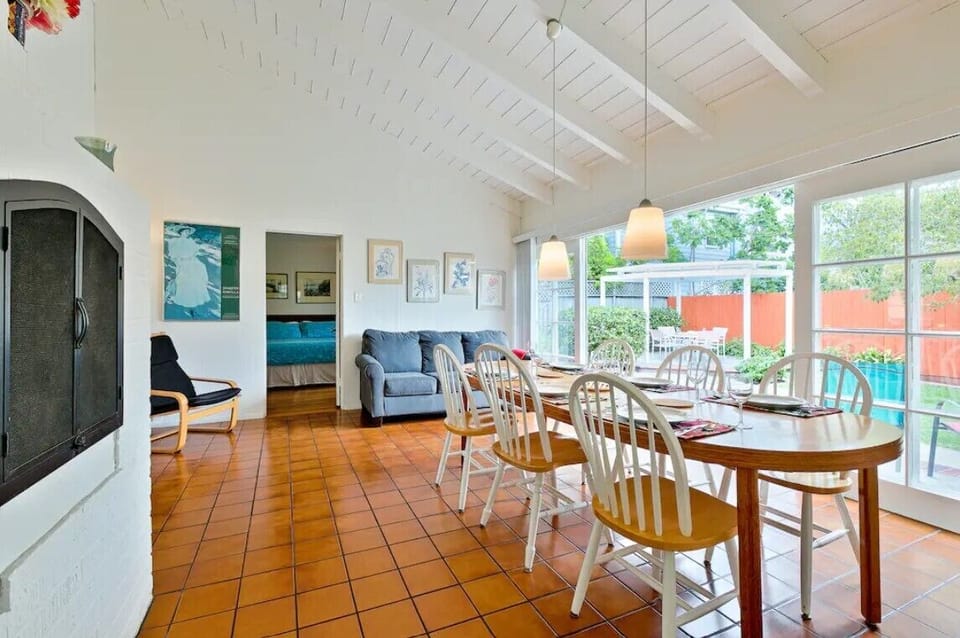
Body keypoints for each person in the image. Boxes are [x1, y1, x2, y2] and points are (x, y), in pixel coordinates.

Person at [167, 226, 210, 308]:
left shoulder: (191, 242)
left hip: (191, 261)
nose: (187, 233)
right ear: (181, 232)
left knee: (200, 267)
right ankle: (180, 295)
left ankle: (195, 294)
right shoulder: (175, 241)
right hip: (182, 262)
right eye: (186, 231)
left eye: (188, 232)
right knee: (185, 275)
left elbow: (194, 253)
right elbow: (174, 256)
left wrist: (192, 258)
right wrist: (181, 260)